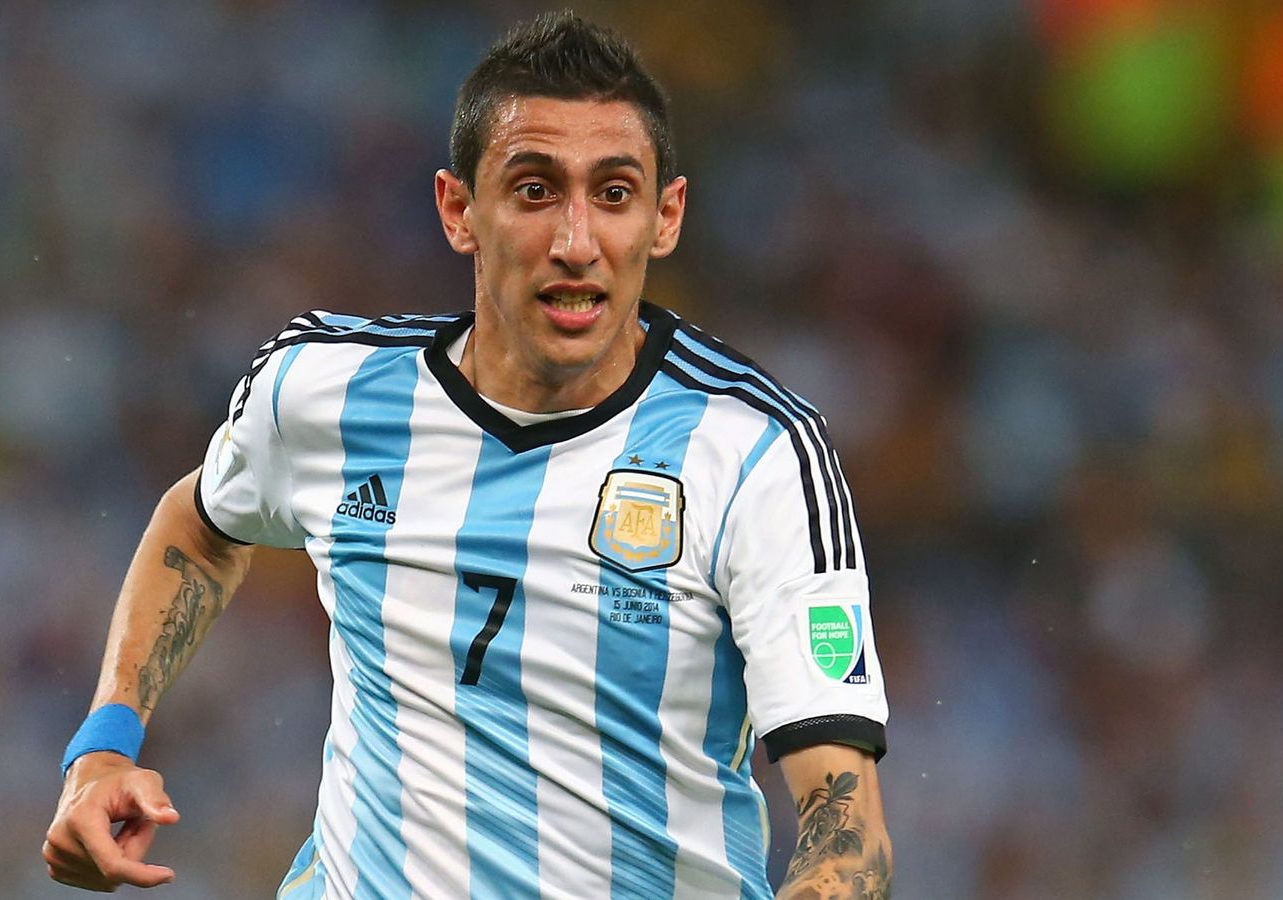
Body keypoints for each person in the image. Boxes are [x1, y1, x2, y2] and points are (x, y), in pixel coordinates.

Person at [43, 11, 892, 899]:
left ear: (665, 217)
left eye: (613, 194)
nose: (576, 242)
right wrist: (103, 747)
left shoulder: (755, 454)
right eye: (534, 191)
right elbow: (202, 523)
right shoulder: (322, 394)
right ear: (459, 210)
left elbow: (847, 834)